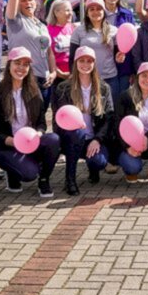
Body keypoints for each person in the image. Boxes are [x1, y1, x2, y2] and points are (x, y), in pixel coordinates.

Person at [0, 47, 62, 198]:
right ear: (9, 65)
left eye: (25, 64)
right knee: (29, 174)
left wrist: (38, 134)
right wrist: (15, 142)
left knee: (54, 140)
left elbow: (42, 123)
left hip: (31, 142)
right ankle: (13, 173)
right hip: (9, 146)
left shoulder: (35, 90)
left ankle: (44, 179)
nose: (21, 68)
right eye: (17, 63)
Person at [51, 46, 112, 195]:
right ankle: (70, 179)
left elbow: (108, 118)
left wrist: (97, 139)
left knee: (99, 162)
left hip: (93, 139)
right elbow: (59, 118)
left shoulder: (103, 87)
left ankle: (93, 169)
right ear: (75, 63)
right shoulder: (63, 88)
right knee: (76, 134)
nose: (85, 64)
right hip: (71, 138)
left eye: (89, 61)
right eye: (82, 61)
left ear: (94, 64)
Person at [4, 0, 56, 100]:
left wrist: (53, 72)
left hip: (44, 79)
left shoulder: (41, 24)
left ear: (36, 2)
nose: (28, 2)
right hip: (25, 79)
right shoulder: (16, 21)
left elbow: (49, 52)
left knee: (40, 120)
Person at [69, 0, 124, 104]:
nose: (95, 12)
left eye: (98, 9)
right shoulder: (78, 31)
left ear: (104, 11)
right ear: (87, 13)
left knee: (110, 112)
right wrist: (72, 75)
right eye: (92, 9)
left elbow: (117, 54)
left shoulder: (114, 31)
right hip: (85, 79)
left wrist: (120, 57)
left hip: (109, 78)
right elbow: (73, 56)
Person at [46, 0, 76, 80]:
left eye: (71, 10)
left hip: (74, 74)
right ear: (56, 12)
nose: (71, 13)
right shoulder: (46, 31)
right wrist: (59, 73)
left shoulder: (72, 27)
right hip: (57, 76)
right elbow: (46, 55)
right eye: (67, 10)